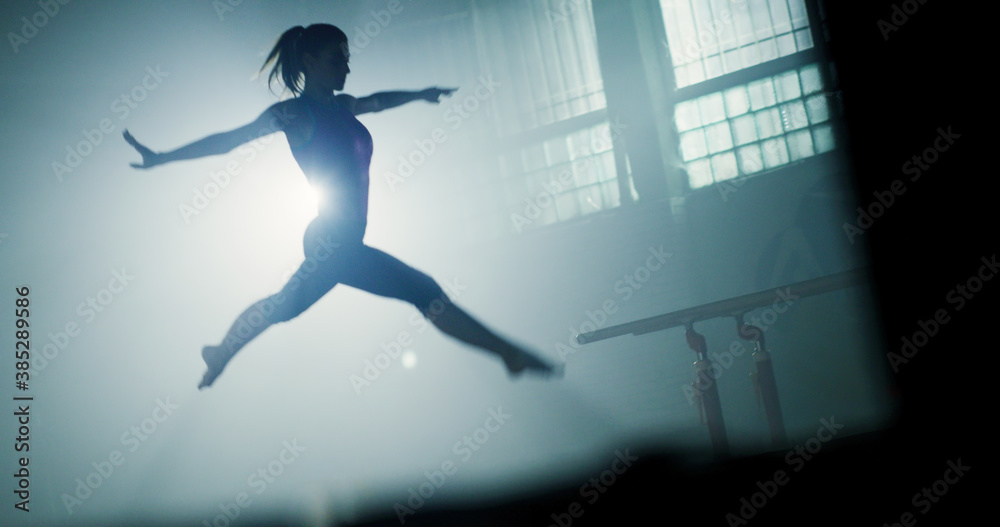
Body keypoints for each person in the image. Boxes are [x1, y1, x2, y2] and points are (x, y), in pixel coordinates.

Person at [124, 23, 559, 389]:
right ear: (310, 62)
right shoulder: (294, 115)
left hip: (342, 240)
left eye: (348, 59)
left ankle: (223, 350)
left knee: (288, 306)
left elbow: (378, 101)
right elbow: (229, 141)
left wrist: (419, 93)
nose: (347, 66)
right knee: (422, 291)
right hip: (331, 239)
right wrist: (163, 157)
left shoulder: (344, 106)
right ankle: (507, 353)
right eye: (337, 59)